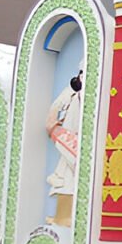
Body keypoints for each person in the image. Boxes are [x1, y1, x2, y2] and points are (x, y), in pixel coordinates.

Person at [45, 71, 82, 227]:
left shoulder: (81, 98)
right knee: (65, 181)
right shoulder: (74, 97)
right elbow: (57, 107)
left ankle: (66, 218)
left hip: (76, 143)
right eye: (81, 74)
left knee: (71, 182)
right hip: (69, 142)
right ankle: (62, 218)